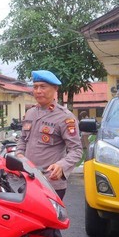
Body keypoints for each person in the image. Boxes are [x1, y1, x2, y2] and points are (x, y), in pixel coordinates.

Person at [16, 70, 82, 200]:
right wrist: (19, 154)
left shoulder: (65, 117)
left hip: (51, 182)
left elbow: (76, 150)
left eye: (43, 87)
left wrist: (62, 166)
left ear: (55, 88)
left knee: (48, 220)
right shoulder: (30, 113)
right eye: (35, 87)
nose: (38, 91)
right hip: (28, 179)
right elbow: (23, 139)